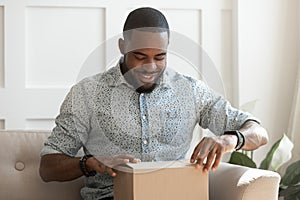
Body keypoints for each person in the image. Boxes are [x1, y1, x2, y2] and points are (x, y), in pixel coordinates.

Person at [39, 7, 268, 200]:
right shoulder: (86, 94)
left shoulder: (190, 91)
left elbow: (259, 132)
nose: (150, 66)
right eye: (139, 56)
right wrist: (90, 163)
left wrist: (229, 139)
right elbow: (48, 168)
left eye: (159, 57)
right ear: (122, 46)